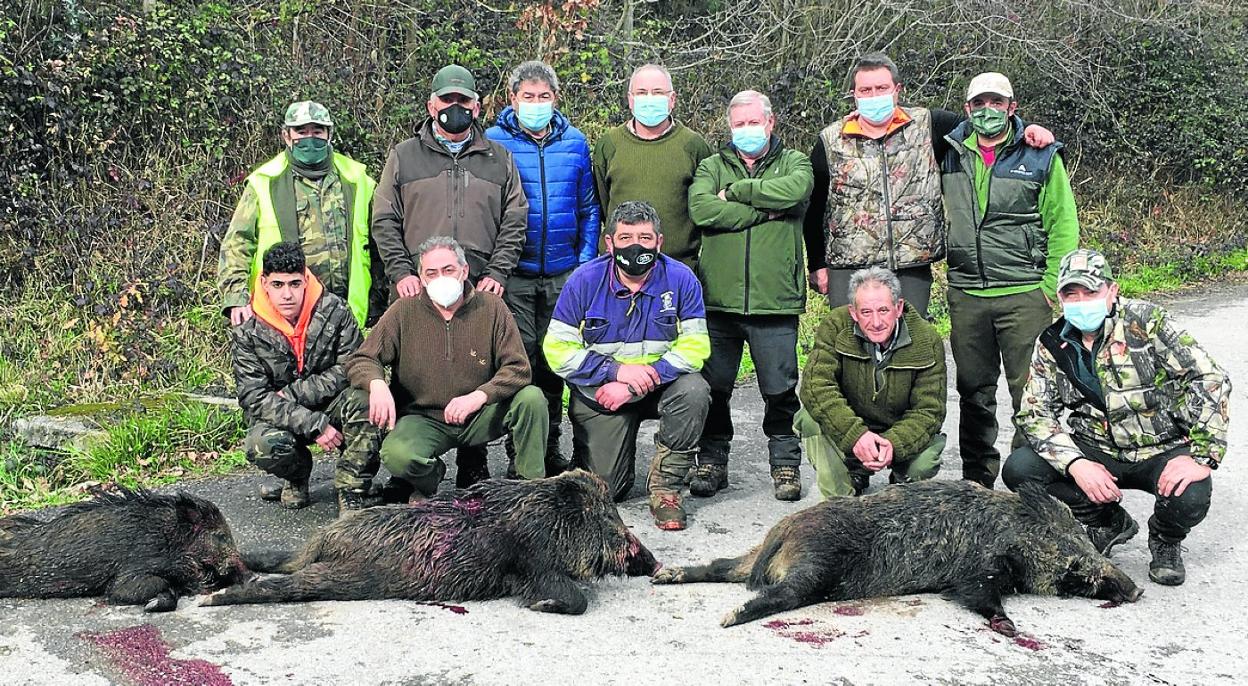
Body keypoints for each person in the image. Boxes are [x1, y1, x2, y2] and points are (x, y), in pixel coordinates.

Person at [1005, 249, 1229, 586]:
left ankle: (1166, 540)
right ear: (1059, 298)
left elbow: (1209, 378)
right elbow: (1035, 412)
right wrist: (1075, 464)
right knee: (1020, 470)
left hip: (1161, 446)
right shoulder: (1052, 342)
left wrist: (1203, 455)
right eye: (1071, 294)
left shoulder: (1149, 323)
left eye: (1091, 292)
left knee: (1191, 494)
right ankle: (1107, 521)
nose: (1081, 302)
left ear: (1112, 291)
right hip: (1096, 446)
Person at [371, 64, 529, 486]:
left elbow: (515, 218)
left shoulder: (499, 158)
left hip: (479, 287)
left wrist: (497, 271)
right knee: (421, 365)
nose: (454, 108)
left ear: (477, 106)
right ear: (432, 104)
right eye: (447, 100)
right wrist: (402, 272)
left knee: (476, 366)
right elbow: (384, 218)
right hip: (417, 286)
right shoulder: (404, 156)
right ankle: (417, 461)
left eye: (463, 100)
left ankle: (473, 461)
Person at [803, 53, 1053, 316]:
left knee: (910, 346)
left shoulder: (930, 124)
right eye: (865, 90)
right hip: (849, 266)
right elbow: (815, 205)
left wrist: (1027, 129)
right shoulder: (830, 140)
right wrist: (817, 263)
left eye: (881, 88)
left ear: (897, 90)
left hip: (911, 266)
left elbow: (987, 129)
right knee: (848, 345)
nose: (874, 95)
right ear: (854, 94)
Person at [941, 72, 1080, 488]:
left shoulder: (1040, 155)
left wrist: (1050, 284)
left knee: (1030, 393)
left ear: (1012, 107)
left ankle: (1027, 479)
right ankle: (977, 480)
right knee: (974, 390)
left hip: (1024, 291)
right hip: (966, 291)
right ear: (967, 109)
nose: (988, 111)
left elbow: (1063, 222)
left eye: (996, 103)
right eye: (979, 103)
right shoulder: (947, 151)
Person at [544, 201, 711, 530]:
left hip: (660, 385)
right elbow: (556, 348)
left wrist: (636, 382)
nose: (636, 246)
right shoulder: (584, 280)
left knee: (694, 391)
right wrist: (615, 372)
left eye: (646, 239)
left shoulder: (681, 278)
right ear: (610, 243)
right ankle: (591, 458)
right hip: (602, 392)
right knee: (607, 491)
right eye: (626, 237)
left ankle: (666, 488)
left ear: (659, 242)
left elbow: (696, 346)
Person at [344, 237, 548, 502]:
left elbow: (518, 368)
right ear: (422, 277)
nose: (441, 278)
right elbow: (361, 358)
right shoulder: (403, 311)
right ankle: (430, 479)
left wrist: (480, 396)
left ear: (464, 271)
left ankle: (531, 491)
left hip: (479, 414)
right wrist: (377, 383)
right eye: (432, 273)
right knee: (397, 455)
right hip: (424, 417)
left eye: (448, 270)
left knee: (532, 399)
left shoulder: (492, 307)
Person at [686, 89, 815, 501]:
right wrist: (766, 206)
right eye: (738, 124)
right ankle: (711, 459)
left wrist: (739, 191)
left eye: (752, 122)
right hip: (718, 300)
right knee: (715, 387)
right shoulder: (710, 165)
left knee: (779, 390)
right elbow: (703, 210)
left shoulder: (794, 162)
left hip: (774, 299)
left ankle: (785, 464)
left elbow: (795, 192)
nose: (746, 130)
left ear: (770, 122)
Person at [485, 60, 600, 476]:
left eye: (543, 96)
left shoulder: (575, 142)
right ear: (513, 99)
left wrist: (583, 267)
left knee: (557, 365)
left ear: (555, 98)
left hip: (562, 273)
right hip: (513, 274)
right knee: (520, 363)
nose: (536, 104)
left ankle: (551, 448)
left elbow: (589, 209)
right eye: (528, 97)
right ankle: (521, 455)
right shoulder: (493, 142)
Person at [230, 242, 379, 513]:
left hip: (329, 403)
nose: (287, 294)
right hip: (281, 414)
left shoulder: (336, 310)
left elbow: (352, 366)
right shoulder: (247, 330)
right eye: (278, 285)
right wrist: (313, 424)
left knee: (368, 399)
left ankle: (351, 486)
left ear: (306, 278)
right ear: (263, 283)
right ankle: (297, 478)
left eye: (295, 284)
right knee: (261, 444)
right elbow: (254, 397)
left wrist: (296, 393)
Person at [218, 101, 376, 329]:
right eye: (301, 132)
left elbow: (378, 241)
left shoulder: (357, 178)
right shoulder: (265, 181)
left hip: (346, 314)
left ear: (329, 134)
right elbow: (237, 243)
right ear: (286, 135)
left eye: (317, 131)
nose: (310, 138)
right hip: (283, 315)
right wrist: (236, 297)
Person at [795, 267, 946, 498]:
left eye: (883, 310)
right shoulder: (835, 326)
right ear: (853, 313)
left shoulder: (927, 339)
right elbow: (816, 387)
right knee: (808, 420)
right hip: (851, 424)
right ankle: (839, 503)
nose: (876, 322)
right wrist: (856, 436)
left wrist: (892, 443)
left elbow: (929, 411)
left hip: (897, 428)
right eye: (866, 312)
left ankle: (902, 483)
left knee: (924, 462)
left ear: (899, 308)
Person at [591, 64, 712, 268]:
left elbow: (703, 206)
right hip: (618, 267)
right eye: (641, 92)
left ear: (672, 99)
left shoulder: (693, 146)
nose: (649, 98)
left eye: (657, 92)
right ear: (630, 100)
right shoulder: (609, 144)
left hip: (677, 268)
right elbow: (602, 203)